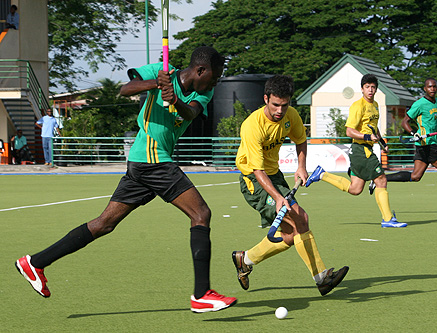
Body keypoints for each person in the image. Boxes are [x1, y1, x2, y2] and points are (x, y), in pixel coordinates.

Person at [15, 46, 237, 313]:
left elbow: (190, 113)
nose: (215, 82)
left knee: (104, 224)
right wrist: (157, 84)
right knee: (200, 213)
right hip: (152, 158)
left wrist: (174, 100)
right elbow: (125, 89)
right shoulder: (160, 71)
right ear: (200, 70)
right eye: (214, 76)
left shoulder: (204, 92)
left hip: (143, 163)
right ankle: (202, 294)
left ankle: (35, 262)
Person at [232, 74, 349, 296]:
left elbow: (300, 140)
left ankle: (245, 259)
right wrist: (277, 198)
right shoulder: (252, 126)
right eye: (275, 104)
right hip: (253, 181)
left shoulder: (290, 116)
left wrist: (301, 166)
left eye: (284, 105)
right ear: (266, 98)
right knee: (301, 218)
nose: (279, 110)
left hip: (274, 175)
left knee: (288, 236)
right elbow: (257, 170)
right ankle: (322, 278)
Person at [306, 74, 407, 228]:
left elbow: (374, 128)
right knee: (381, 180)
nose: (370, 90)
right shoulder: (358, 106)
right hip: (361, 150)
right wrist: (367, 136)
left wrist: (382, 143)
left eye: (373, 87)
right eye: (367, 87)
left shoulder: (375, 105)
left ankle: (322, 174)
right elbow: (349, 131)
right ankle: (387, 219)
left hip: (365, 149)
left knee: (355, 189)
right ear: (362, 89)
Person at [376, 78, 437, 215]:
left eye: (435, 86)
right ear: (425, 89)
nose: (433, 89)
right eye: (430, 87)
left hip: (428, 144)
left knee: (415, 176)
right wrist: (413, 133)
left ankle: (381, 178)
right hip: (426, 144)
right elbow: (405, 122)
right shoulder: (419, 104)